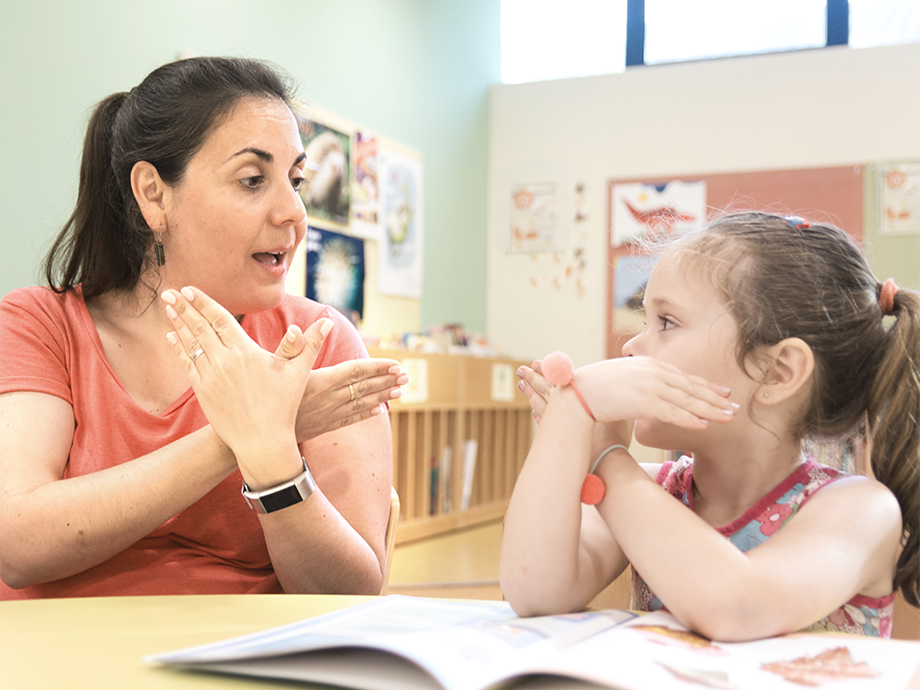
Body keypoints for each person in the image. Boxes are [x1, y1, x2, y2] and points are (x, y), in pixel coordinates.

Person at [0, 57, 409, 599]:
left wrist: (274, 465)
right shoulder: (40, 325)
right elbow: (17, 545)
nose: (294, 212)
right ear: (152, 194)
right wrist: (245, 436)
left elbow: (351, 592)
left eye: (296, 180)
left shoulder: (321, 340)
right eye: (251, 180)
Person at [501, 211, 920, 641]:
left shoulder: (861, 509)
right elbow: (536, 593)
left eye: (666, 322)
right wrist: (568, 425)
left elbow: (736, 607)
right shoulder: (649, 489)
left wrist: (606, 457)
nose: (631, 346)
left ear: (778, 372)